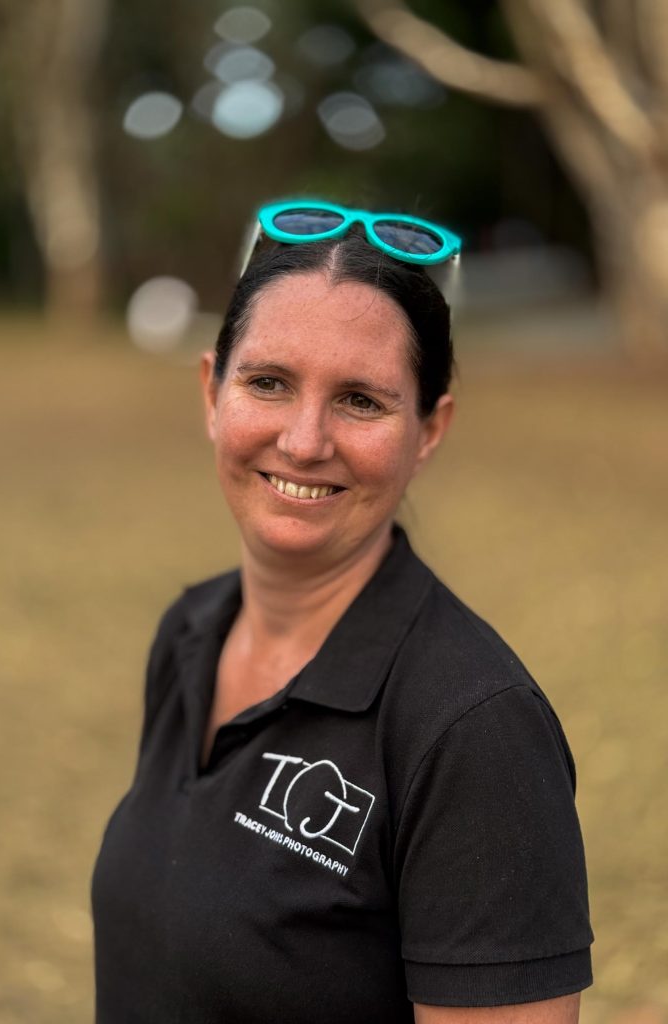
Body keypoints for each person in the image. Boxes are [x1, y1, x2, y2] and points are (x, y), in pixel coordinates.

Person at [91, 200, 593, 1024]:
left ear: (430, 430)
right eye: (268, 383)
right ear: (211, 392)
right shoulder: (189, 631)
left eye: (361, 400)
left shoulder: (475, 730)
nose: (304, 440)